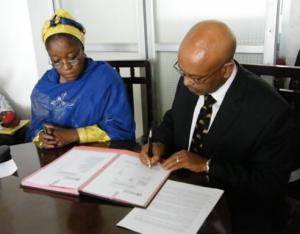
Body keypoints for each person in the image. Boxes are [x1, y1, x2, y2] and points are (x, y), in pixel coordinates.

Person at [140, 20, 292, 233]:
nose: (185, 83)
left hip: (233, 208)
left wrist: (207, 165)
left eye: (195, 77)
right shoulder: (191, 79)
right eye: (182, 71)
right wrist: (158, 142)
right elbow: (173, 120)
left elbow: (269, 184)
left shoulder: (271, 111)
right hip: (180, 197)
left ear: (226, 70)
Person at [26, 8, 135, 149]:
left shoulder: (105, 77)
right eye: (56, 61)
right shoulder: (44, 87)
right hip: (58, 156)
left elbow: (121, 128)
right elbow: (35, 129)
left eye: (72, 58)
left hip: (102, 152)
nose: (66, 67)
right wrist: (42, 136)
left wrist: (73, 135)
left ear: (82, 50)